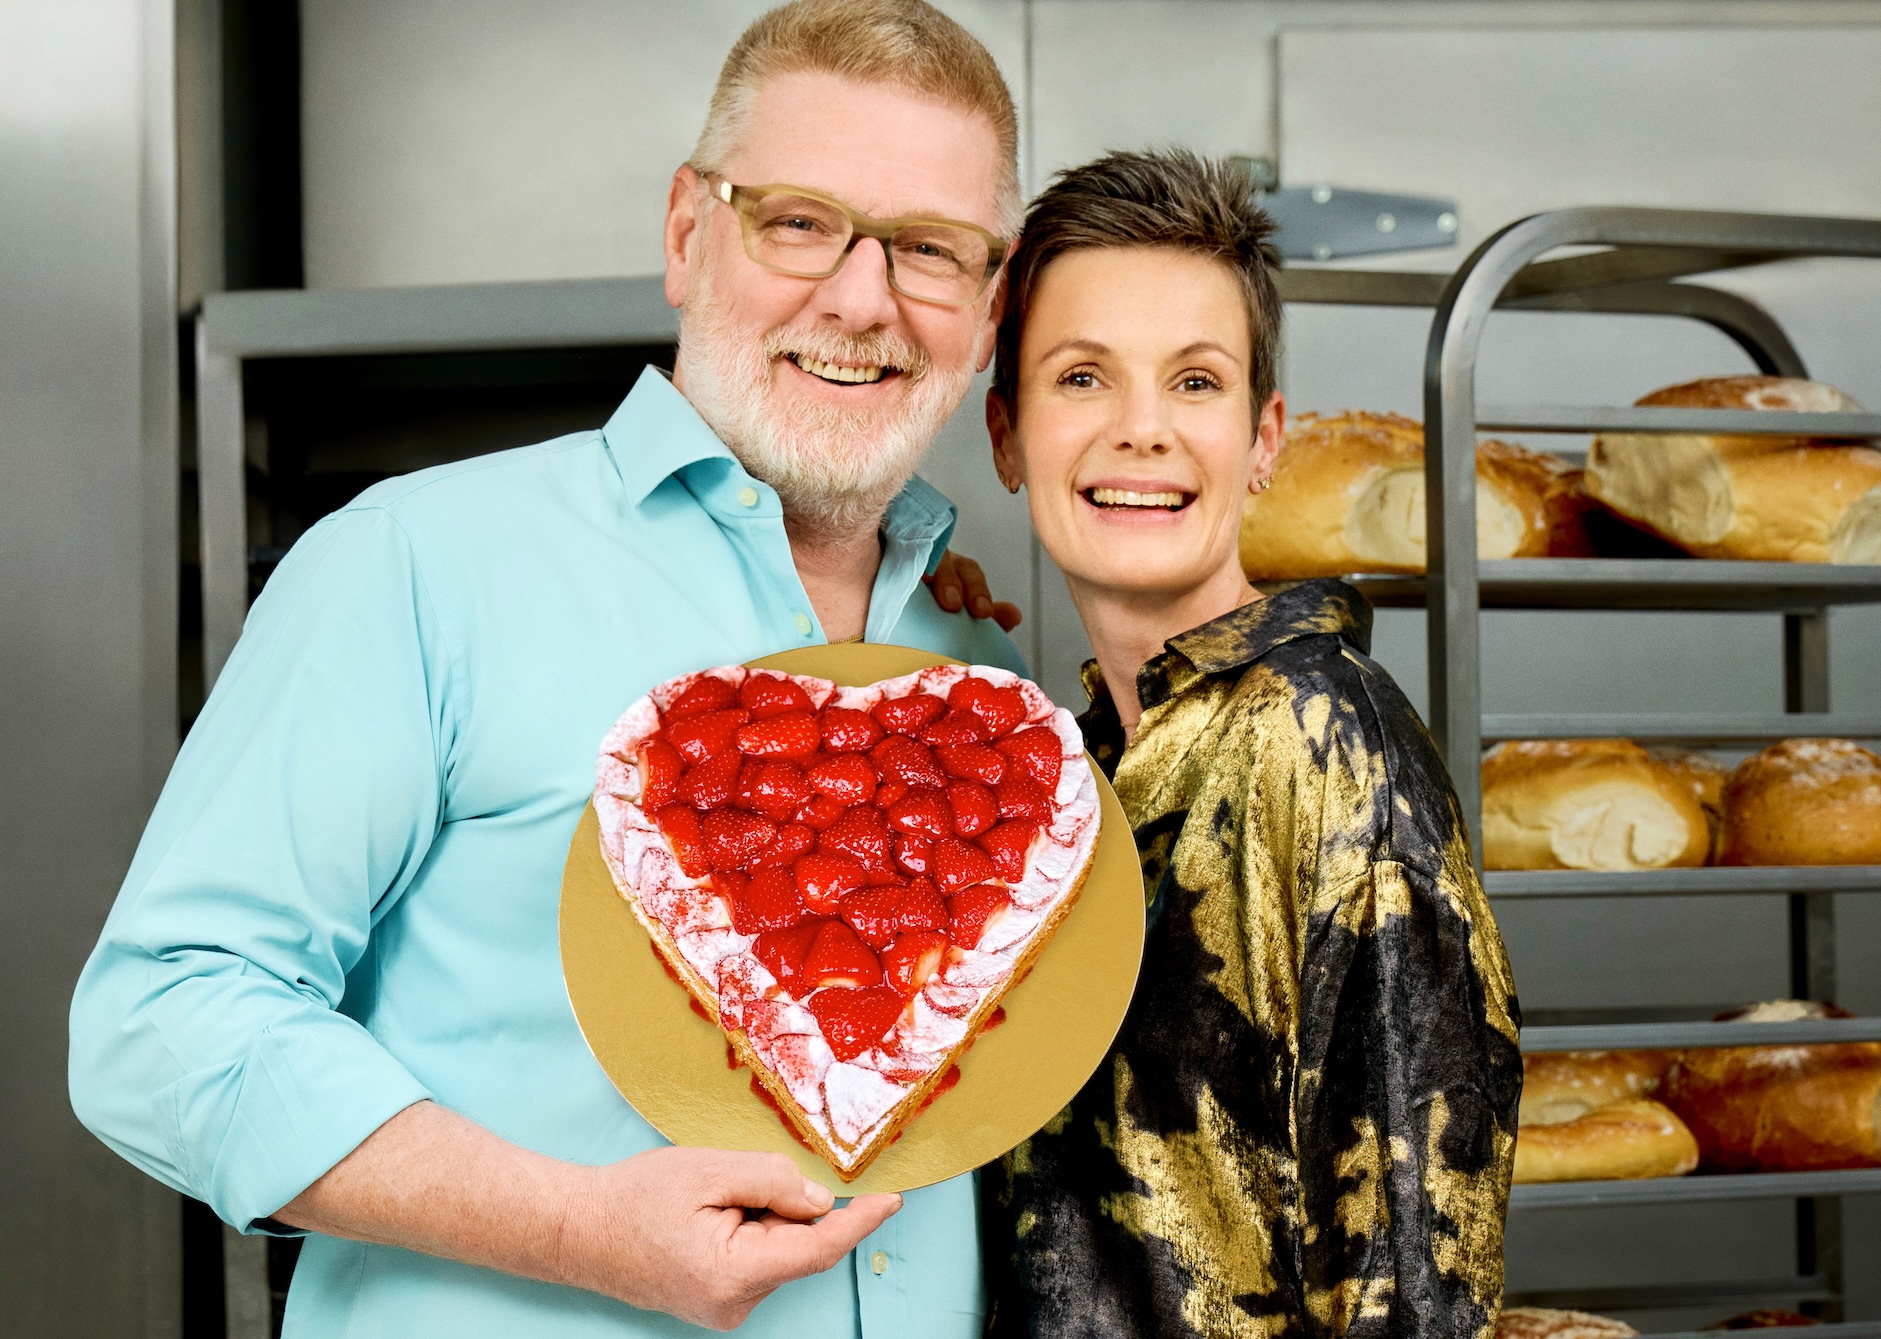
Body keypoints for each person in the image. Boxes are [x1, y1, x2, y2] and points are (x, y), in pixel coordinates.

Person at [69, 2, 1030, 1333]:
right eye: (798, 221)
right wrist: (578, 1226)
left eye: (928, 247)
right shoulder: (415, 564)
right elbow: (156, 1020)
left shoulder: (984, 674)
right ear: (689, 231)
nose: (861, 298)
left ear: (988, 304)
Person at [978, 150, 1523, 1338]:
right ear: (1007, 435)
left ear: (1264, 438)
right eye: (1082, 376)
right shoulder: (1071, 767)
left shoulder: (1331, 751)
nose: (1142, 431)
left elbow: (1413, 1297)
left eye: (1195, 382)